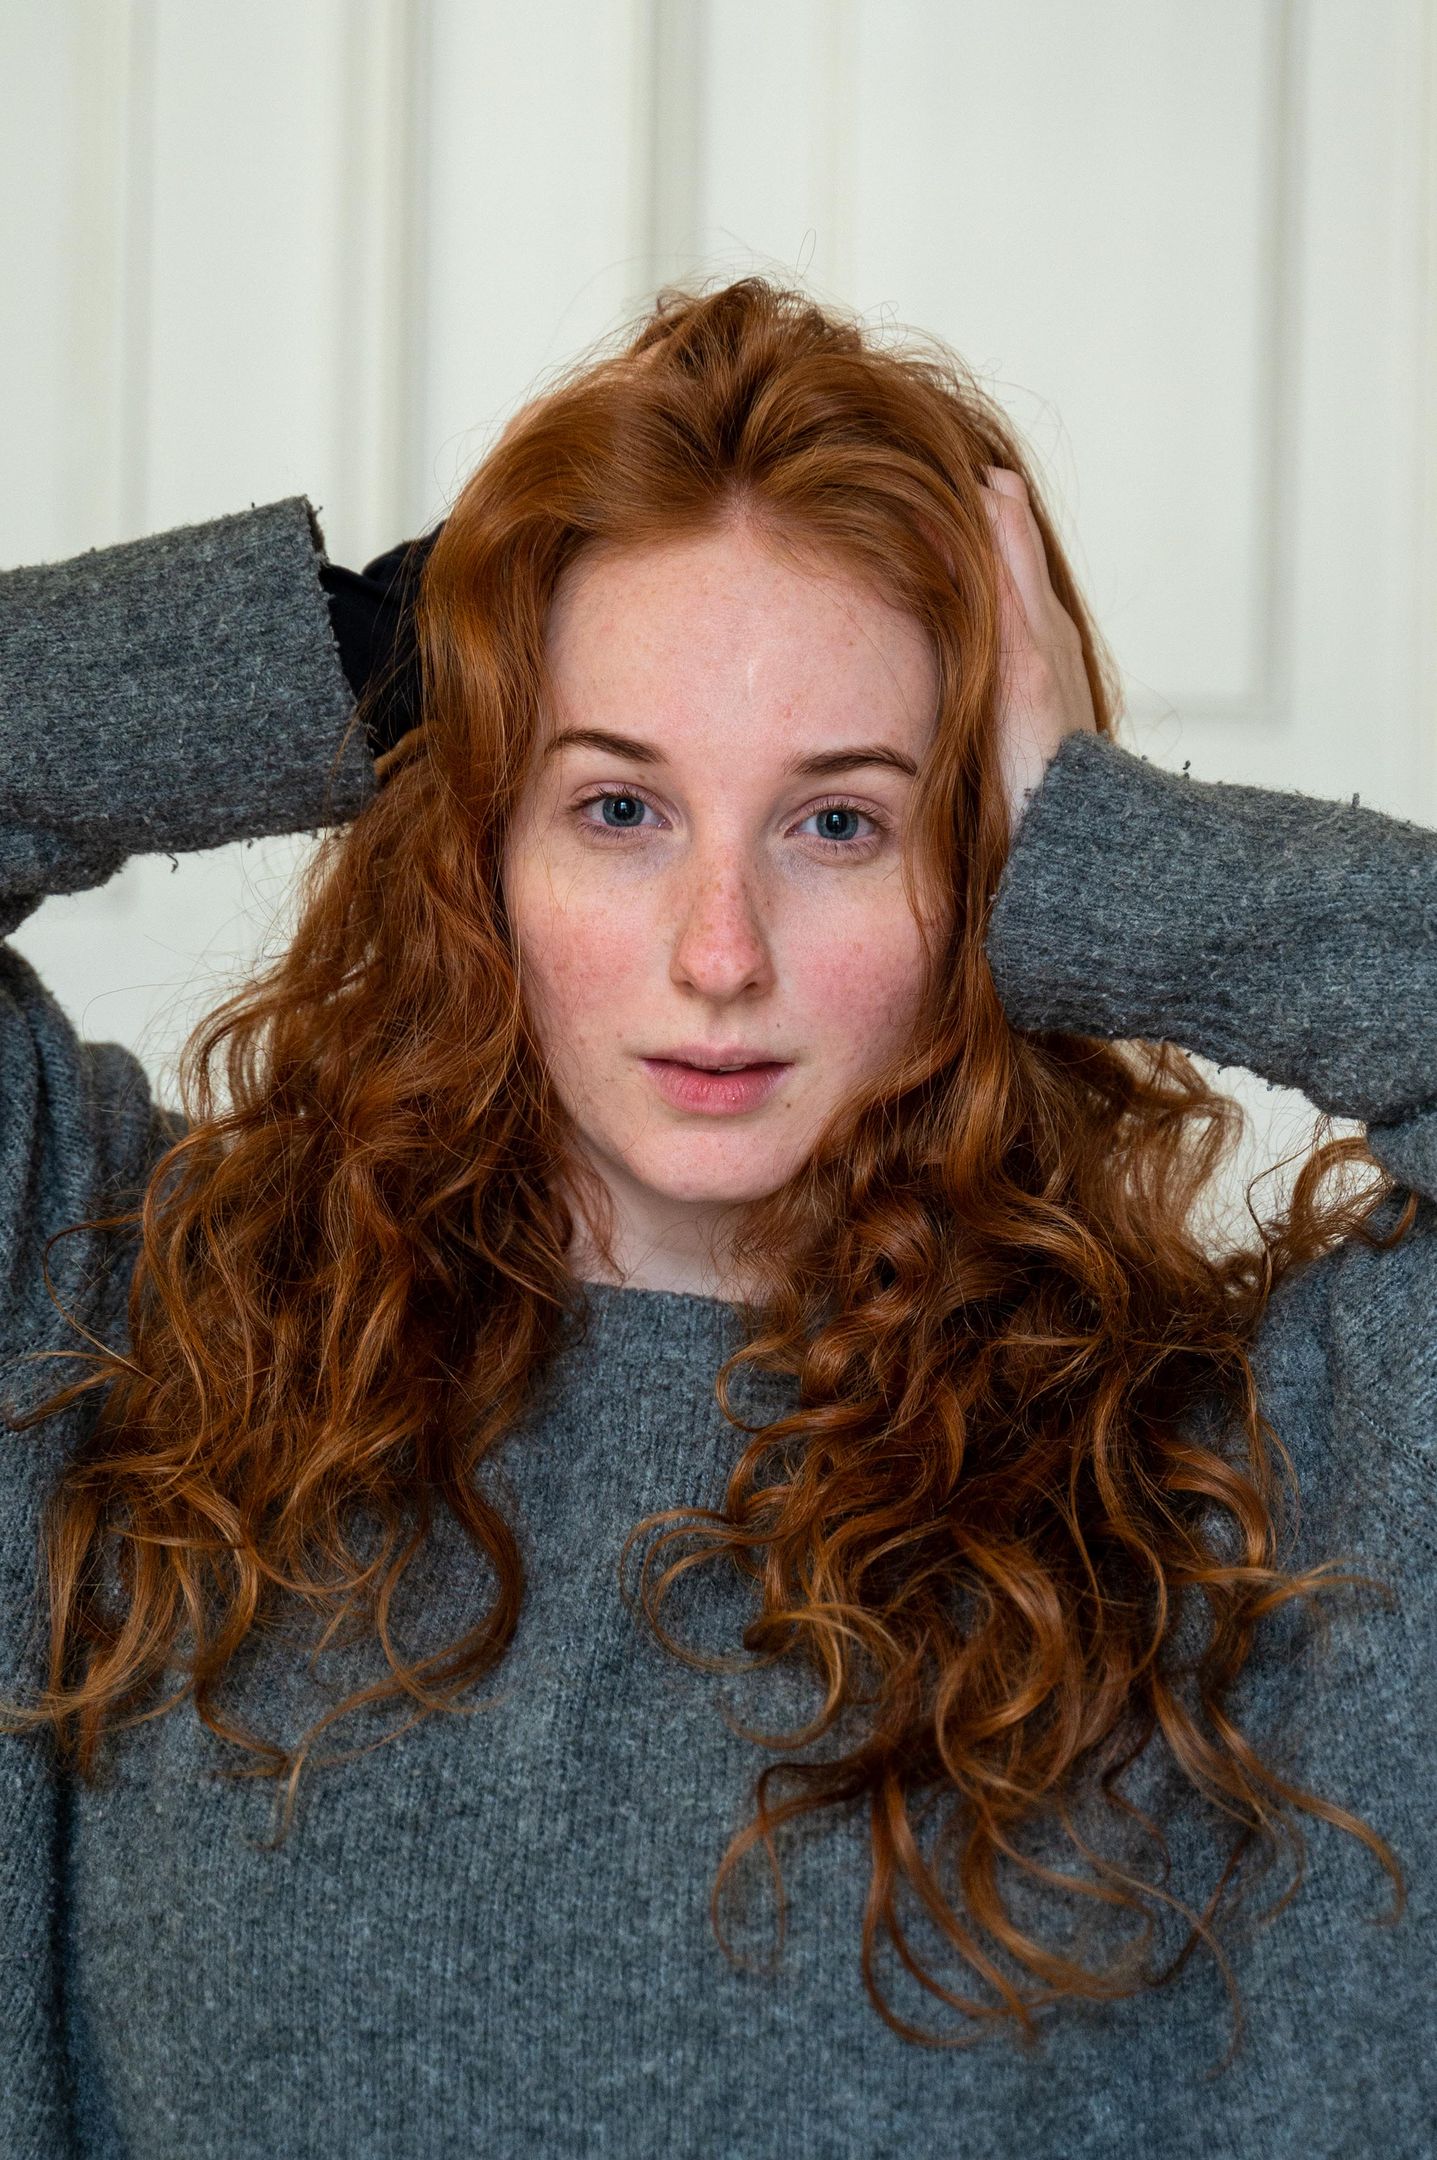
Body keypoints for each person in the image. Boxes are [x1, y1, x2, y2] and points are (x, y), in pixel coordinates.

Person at [0, 276, 1432, 2158]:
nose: (719, 955)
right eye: (618, 807)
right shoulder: (127, 1319)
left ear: (990, 867)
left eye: (840, 823)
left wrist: (1134, 860)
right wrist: (382, 643)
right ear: (477, 847)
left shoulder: (1260, 1487)